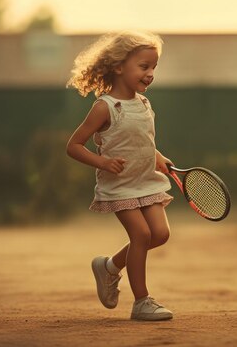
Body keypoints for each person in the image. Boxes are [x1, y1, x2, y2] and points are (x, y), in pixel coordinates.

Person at [66, 31, 174, 321]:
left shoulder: (144, 104)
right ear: (118, 67)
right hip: (120, 186)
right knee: (141, 235)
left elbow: (141, 142)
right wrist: (101, 161)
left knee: (160, 234)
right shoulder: (104, 107)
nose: (150, 73)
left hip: (146, 181)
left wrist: (158, 157)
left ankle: (109, 267)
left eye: (154, 67)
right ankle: (142, 301)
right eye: (144, 66)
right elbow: (74, 146)